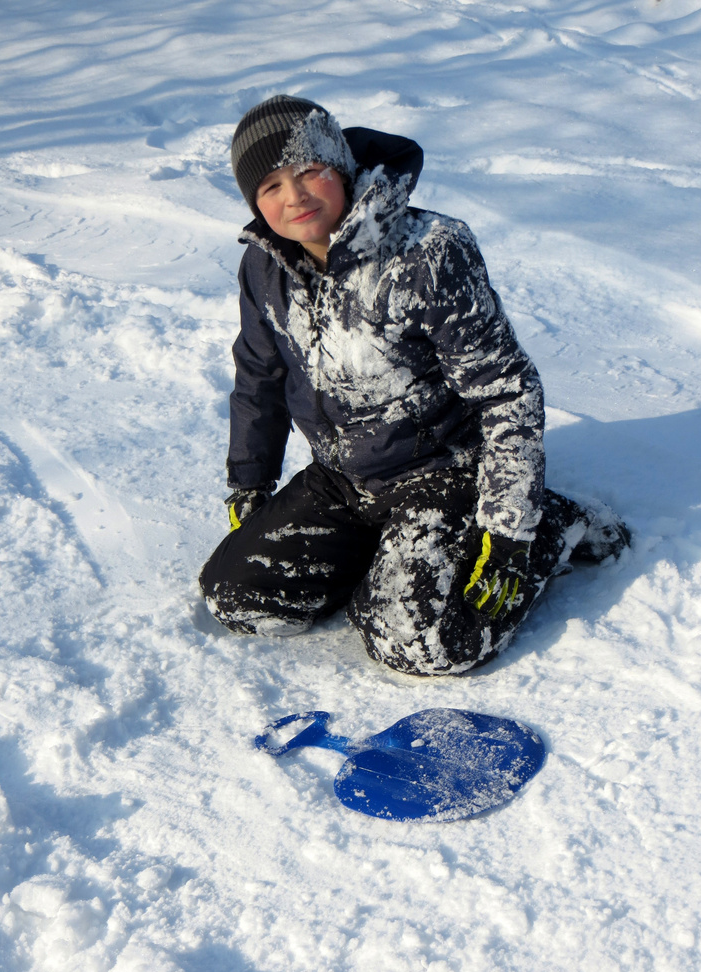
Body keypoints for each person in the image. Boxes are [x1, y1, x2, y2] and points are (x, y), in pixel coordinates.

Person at [199, 94, 629, 676]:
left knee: (418, 643)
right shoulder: (264, 267)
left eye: (309, 172)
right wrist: (250, 482)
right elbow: (259, 377)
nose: (294, 197)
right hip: (343, 476)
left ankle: (552, 525)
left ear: (343, 170)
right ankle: (385, 556)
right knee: (238, 595)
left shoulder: (428, 251)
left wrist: (508, 533)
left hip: (442, 471)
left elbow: (506, 390)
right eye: (271, 187)